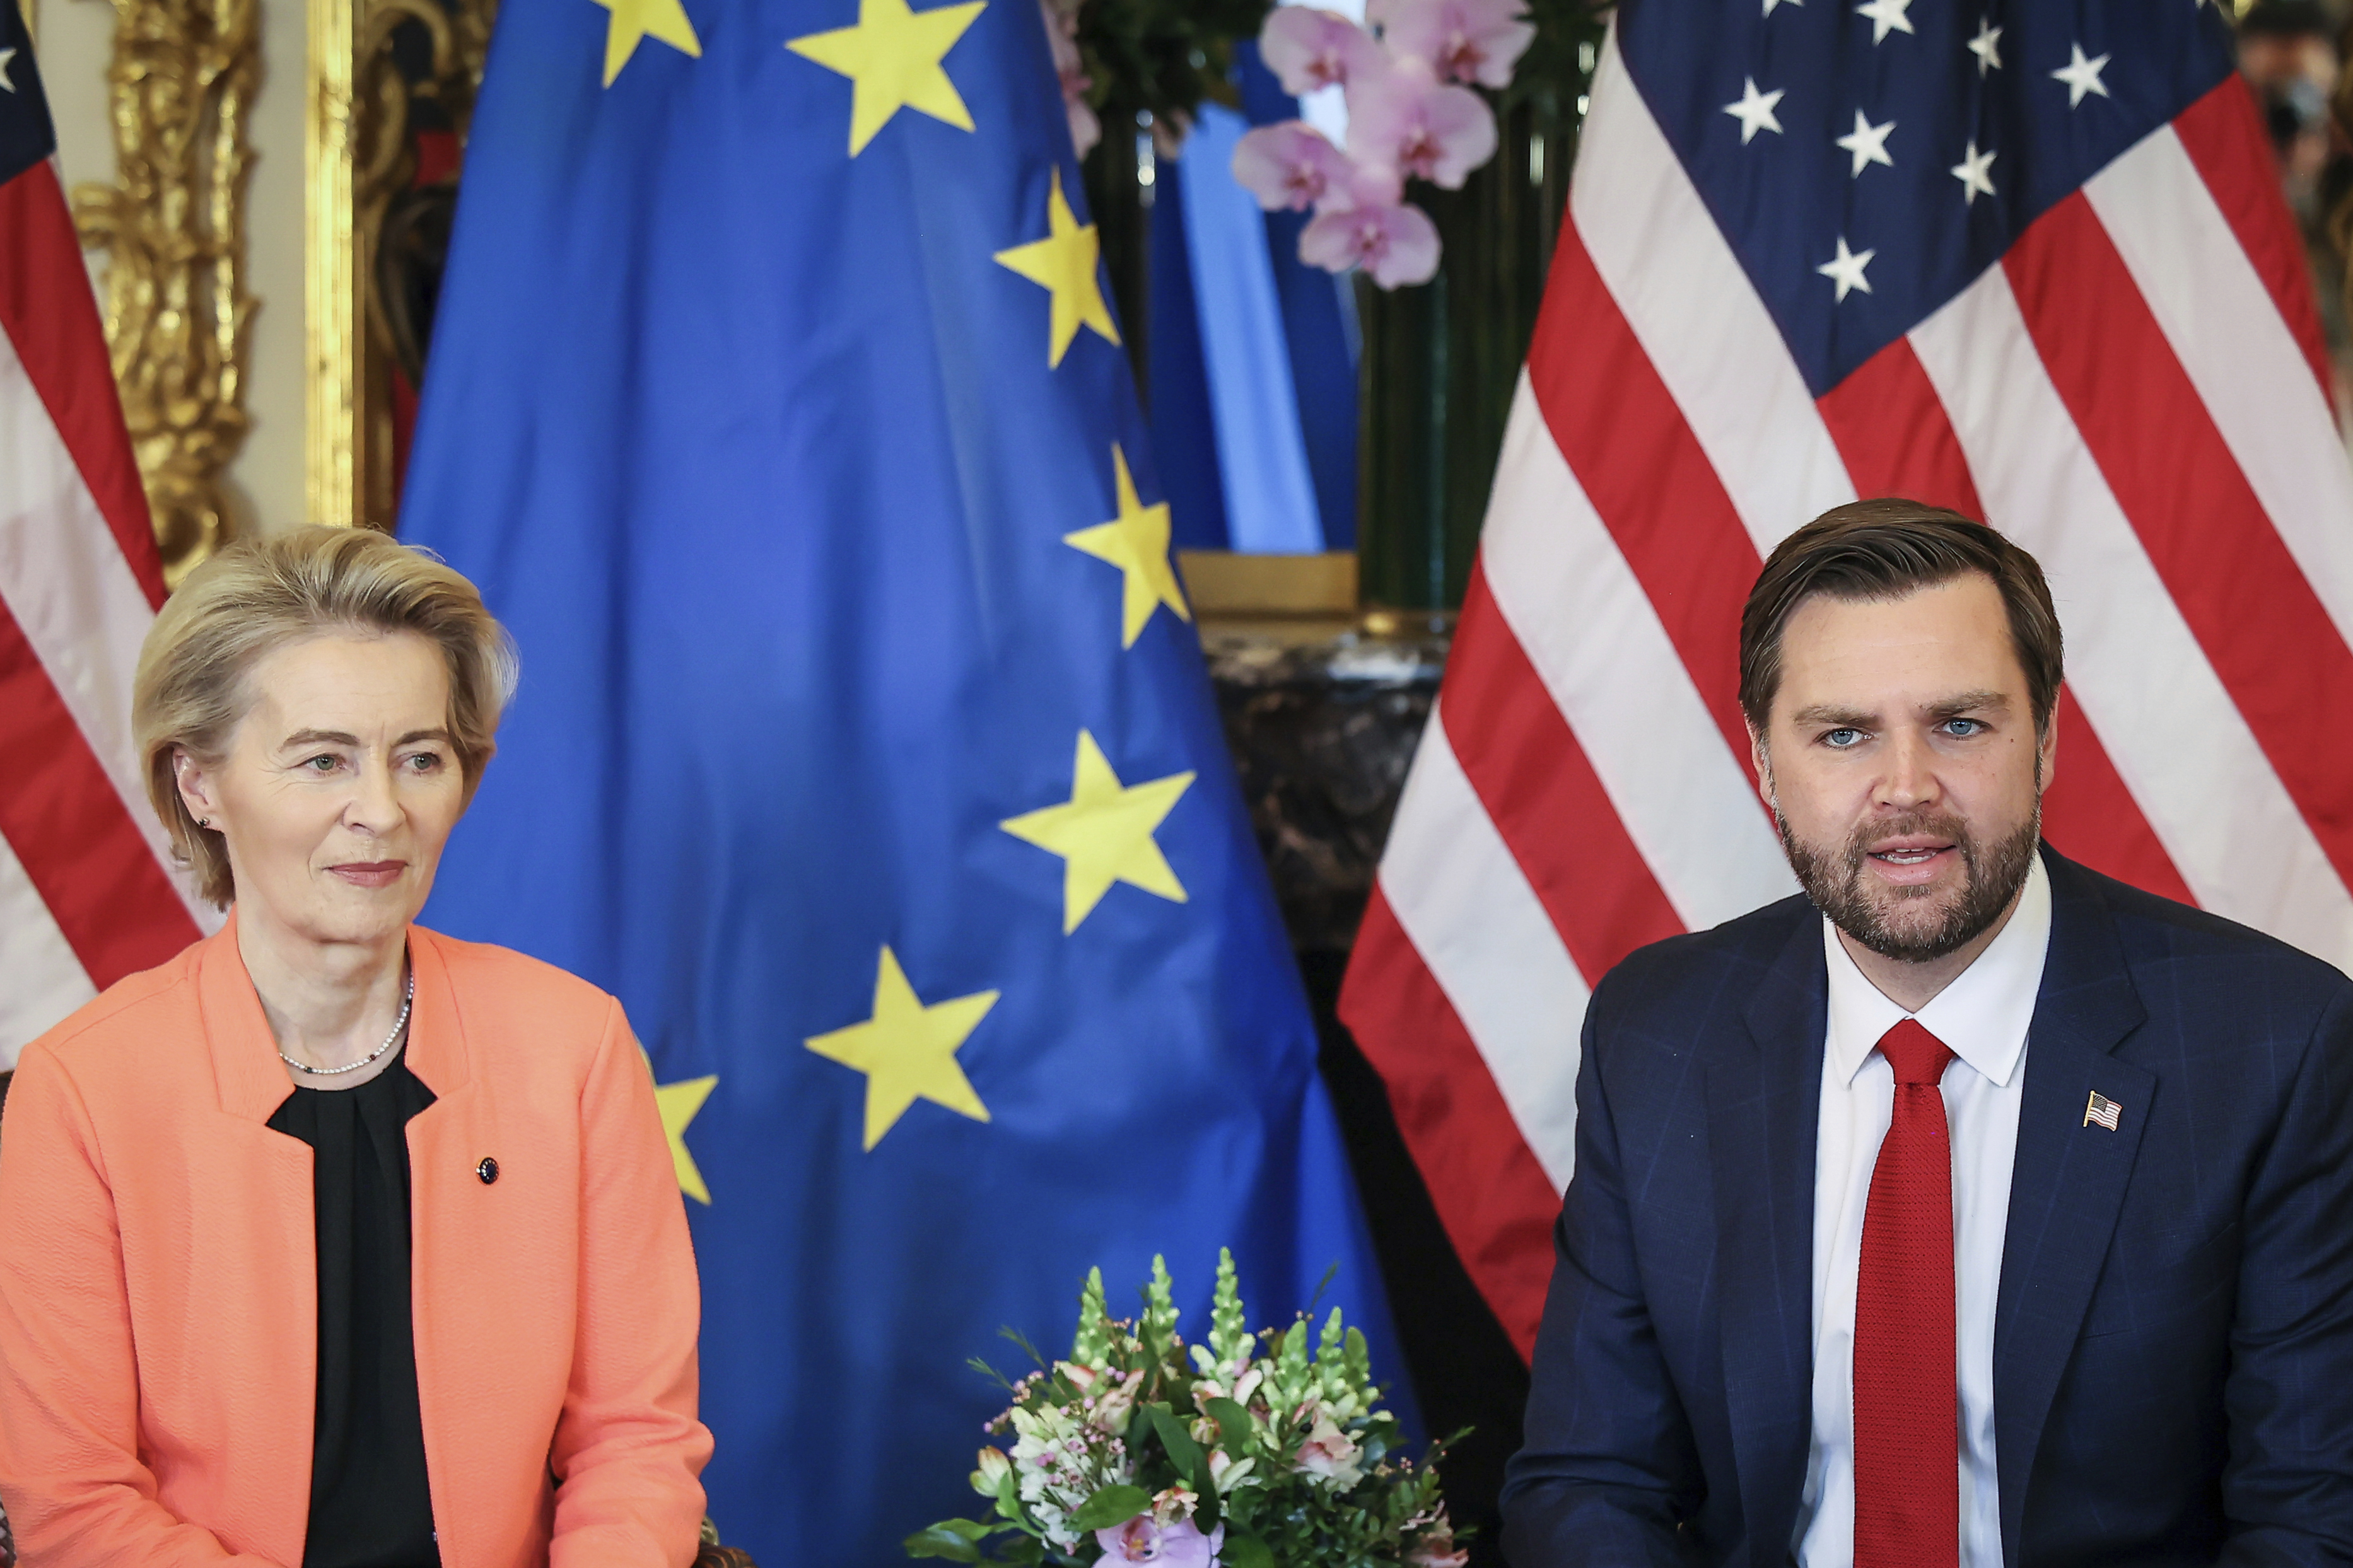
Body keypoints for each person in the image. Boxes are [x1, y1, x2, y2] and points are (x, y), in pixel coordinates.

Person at [1500, 499, 2353, 1567]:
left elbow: (2314, 1519)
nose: (1906, 788)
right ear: (1766, 763)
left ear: (2043, 739)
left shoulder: (2275, 1043)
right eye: (1844, 733)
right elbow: (1590, 1480)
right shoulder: (1658, 1032)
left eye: (1960, 723)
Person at [0, 526, 713, 1565]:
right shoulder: (83, 1090)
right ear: (200, 785)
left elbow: (636, 1441)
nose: (380, 811)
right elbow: (76, 1502)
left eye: (419, 758)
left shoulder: (574, 1047)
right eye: (323, 758)